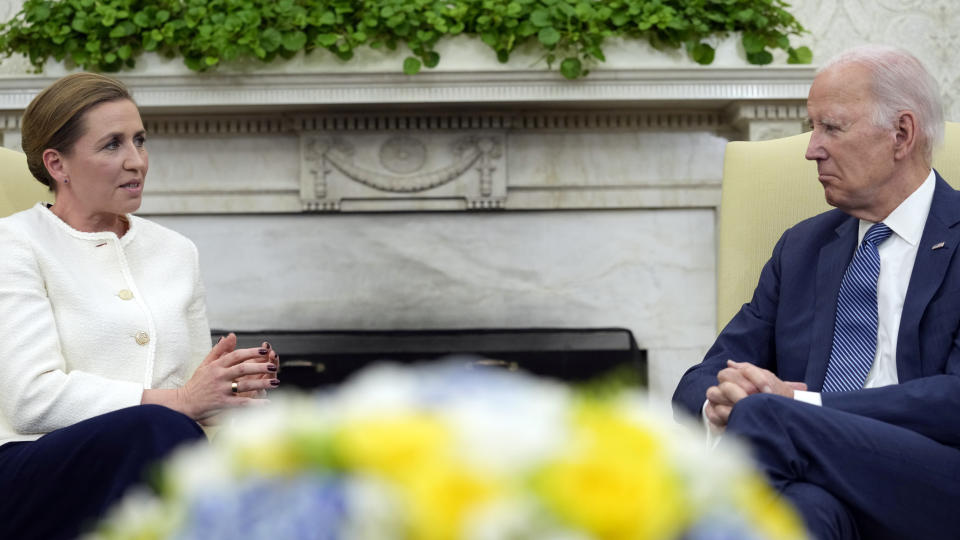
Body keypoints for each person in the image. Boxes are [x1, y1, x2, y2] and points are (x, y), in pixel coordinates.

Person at [673, 45, 960, 540]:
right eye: (813, 128)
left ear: (902, 134)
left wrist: (801, 407)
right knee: (804, 509)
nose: (811, 149)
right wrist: (718, 402)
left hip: (932, 482)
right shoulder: (803, 248)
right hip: (813, 471)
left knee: (765, 418)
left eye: (831, 127)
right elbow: (701, 377)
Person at [0, 73, 280, 539]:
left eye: (140, 140)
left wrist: (232, 391)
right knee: (156, 427)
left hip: (158, 451)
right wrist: (181, 402)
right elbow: (33, 400)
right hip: (31, 468)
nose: (137, 161)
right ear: (57, 164)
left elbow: (196, 396)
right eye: (112, 145)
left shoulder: (175, 250)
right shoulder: (14, 245)